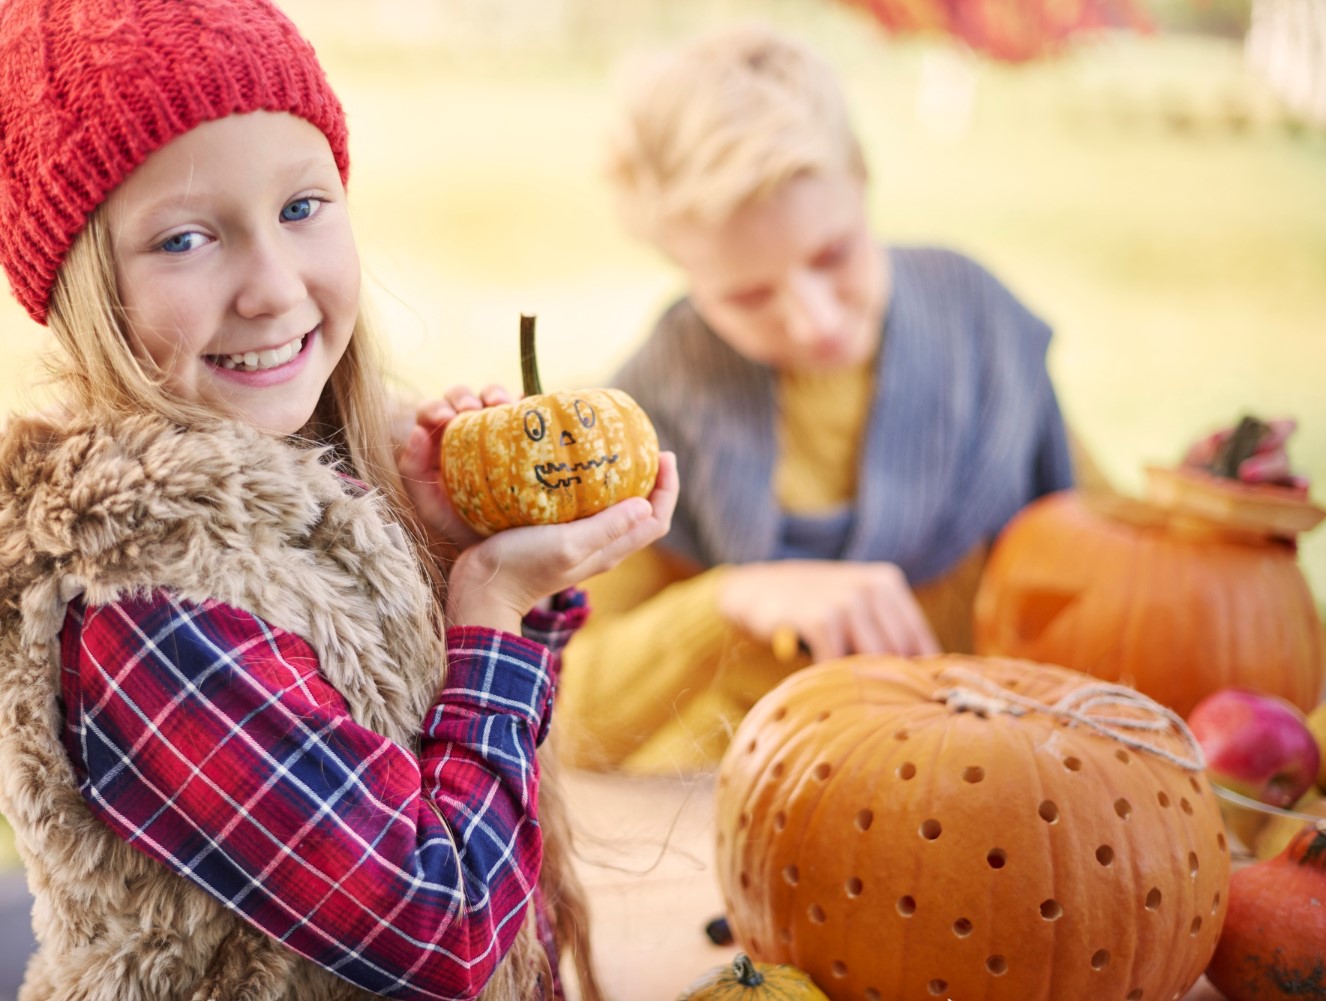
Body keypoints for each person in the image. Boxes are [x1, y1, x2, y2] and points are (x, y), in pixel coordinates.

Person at [0, 2, 676, 999]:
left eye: (302, 207)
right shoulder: (147, 605)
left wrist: (450, 556)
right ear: (84, 289)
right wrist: (490, 615)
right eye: (186, 238)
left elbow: (476, 794)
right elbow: (443, 928)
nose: (273, 286)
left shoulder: (318, 490)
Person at [553, 23, 1300, 776]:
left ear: (863, 177)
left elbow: (1116, 574)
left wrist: (1216, 528)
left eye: (833, 255)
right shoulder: (649, 414)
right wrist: (732, 601)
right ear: (681, 267)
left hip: (990, 779)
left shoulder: (978, 331)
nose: (813, 320)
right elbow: (566, 711)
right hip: (751, 783)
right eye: (747, 297)